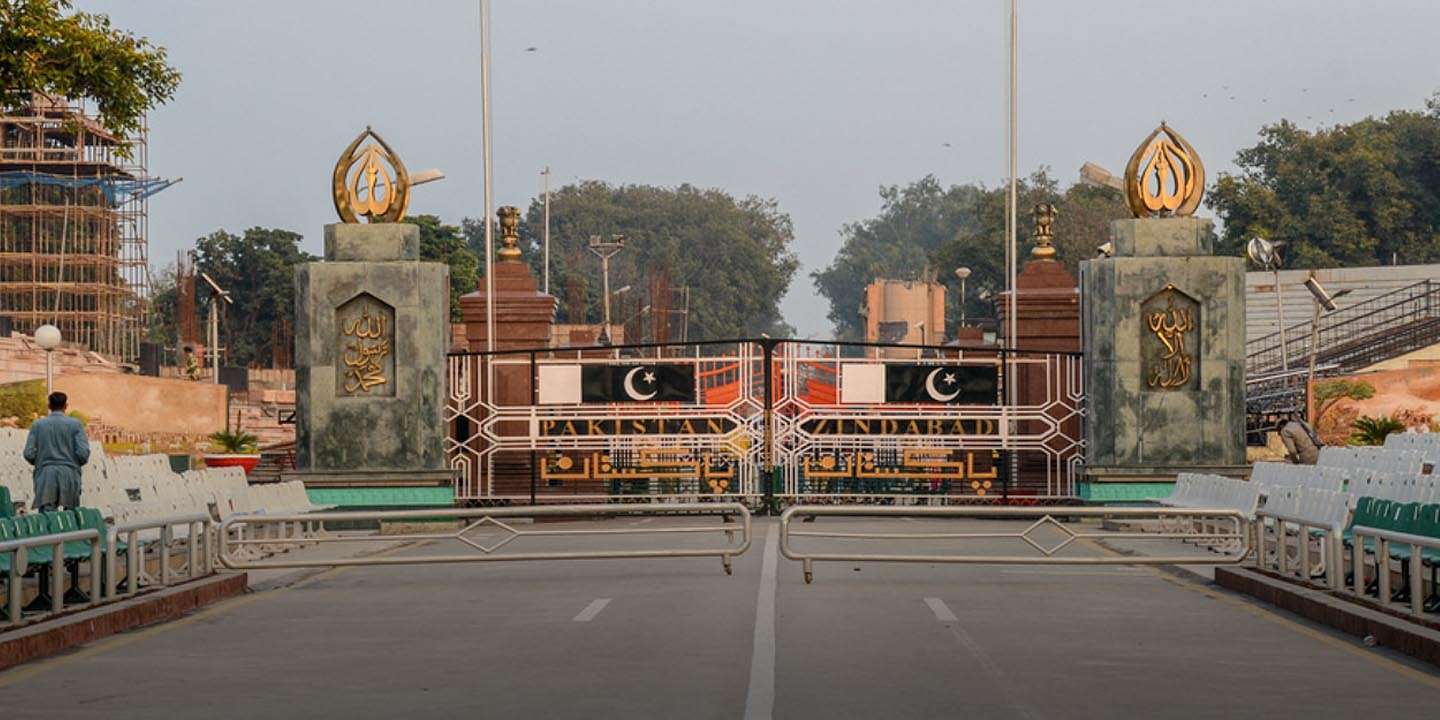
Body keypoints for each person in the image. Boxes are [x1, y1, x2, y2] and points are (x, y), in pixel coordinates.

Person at [23, 392, 91, 511]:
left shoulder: (38, 425)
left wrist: (40, 461)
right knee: (71, 516)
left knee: (48, 519)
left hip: (45, 474)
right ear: (66, 406)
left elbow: (28, 453)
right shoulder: (76, 425)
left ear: (49, 406)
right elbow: (83, 454)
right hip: (70, 473)